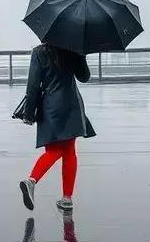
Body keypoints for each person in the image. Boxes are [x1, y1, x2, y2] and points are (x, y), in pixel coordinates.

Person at [18, 44, 95, 212]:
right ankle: (67, 198)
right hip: (71, 104)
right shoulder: (73, 49)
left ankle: (32, 180)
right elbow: (84, 77)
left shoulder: (39, 52)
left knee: (54, 150)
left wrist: (29, 113)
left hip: (50, 106)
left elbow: (33, 85)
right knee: (69, 151)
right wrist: (81, 55)